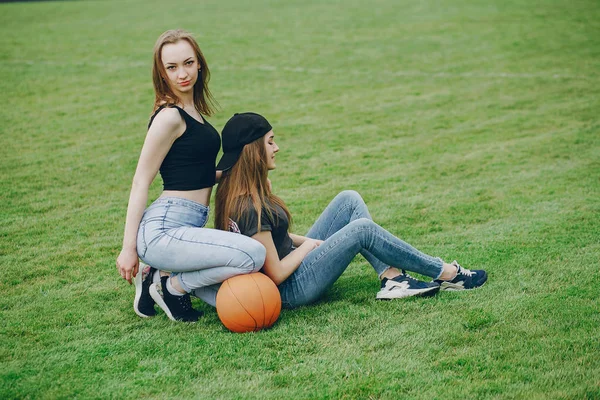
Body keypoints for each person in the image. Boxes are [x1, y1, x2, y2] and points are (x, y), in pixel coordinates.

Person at [214, 113, 487, 309]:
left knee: (349, 200)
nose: (277, 148)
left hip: (291, 269)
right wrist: (308, 247)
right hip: (291, 289)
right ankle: (447, 273)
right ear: (253, 151)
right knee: (362, 230)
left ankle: (392, 279)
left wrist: (304, 242)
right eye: (270, 142)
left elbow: (271, 237)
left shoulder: (234, 192)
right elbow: (276, 274)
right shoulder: (249, 206)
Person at [115, 30, 266, 322]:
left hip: (187, 223)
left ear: (199, 64)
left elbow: (197, 175)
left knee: (249, 257)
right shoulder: (169, 116)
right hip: (163, 228)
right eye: (172, 67)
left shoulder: (193, 111)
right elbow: (140, 182)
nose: (182, 73)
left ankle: (159, 276)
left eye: (188, 63)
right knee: (253, 256)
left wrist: (246, 171)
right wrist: (128, 248)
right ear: (161, 72)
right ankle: (171, 286)